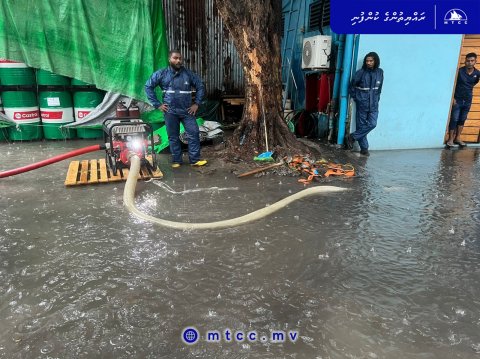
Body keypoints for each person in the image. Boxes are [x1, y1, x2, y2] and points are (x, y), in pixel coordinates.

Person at [145, 50, 207, 167]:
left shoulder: (188, 74)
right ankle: (176, 160)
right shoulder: (162, 73)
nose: (178, 60)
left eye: (180, 58)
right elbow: (148, 86)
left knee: (194, 132)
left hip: (187, 110)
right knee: (173, 136)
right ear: (170, 59)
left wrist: (196, 104)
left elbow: (200, 86)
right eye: (175, 58)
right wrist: (157, 104)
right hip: (170, 111)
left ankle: (195, 160)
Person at [345, 52, 384, 156]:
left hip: (374, 104)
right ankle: (364, 149)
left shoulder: (380, 73)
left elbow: (379, 89)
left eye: (371, 61)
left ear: (375, 61)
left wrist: (377, 99)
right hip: (362, 103)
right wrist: (357, 98)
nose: (369, 63)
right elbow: (351, 87)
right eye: (367, 61)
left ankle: (352, 137)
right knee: (361, 125)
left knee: (372, 124)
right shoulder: (360, 73)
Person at [445, 52, 480, 149]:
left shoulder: (477, 73)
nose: (469, 62)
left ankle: (458, 138)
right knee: (454, 119)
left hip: (468, 100)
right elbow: (452, 84)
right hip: (457, 100)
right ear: (465, 61)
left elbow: (474, 83)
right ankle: (451, 139)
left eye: (472, 61)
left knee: (462, 119)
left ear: (475, 61)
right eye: (468, 60)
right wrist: (453, 98)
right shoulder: (459, 71)